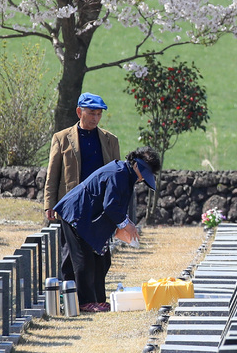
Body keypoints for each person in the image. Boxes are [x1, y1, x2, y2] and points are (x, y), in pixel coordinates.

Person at [53, 146, 161, 312]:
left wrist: (119, 227)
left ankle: (97, 299)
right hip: (77, 215)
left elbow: (115, 206)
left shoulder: (125, 175)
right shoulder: (118, 173)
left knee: (102, 259)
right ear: (136, 166)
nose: (142, 180)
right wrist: (127, 224)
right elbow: (110, 206)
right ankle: (84, 302)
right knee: (84, 260)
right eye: (144, 175)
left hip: (89, 220)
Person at [44, 92, 120, 280]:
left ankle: (94, 293)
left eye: (99, 114)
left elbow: (117, 177)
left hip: (99, 206)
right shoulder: (62, 138)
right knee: (70, 254)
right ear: (79, 112)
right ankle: (69, 292)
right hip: (73, 205)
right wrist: (49, 203)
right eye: (91, 113)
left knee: (101, 254)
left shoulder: (110, 140)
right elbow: (53, 174)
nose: (96, 118)